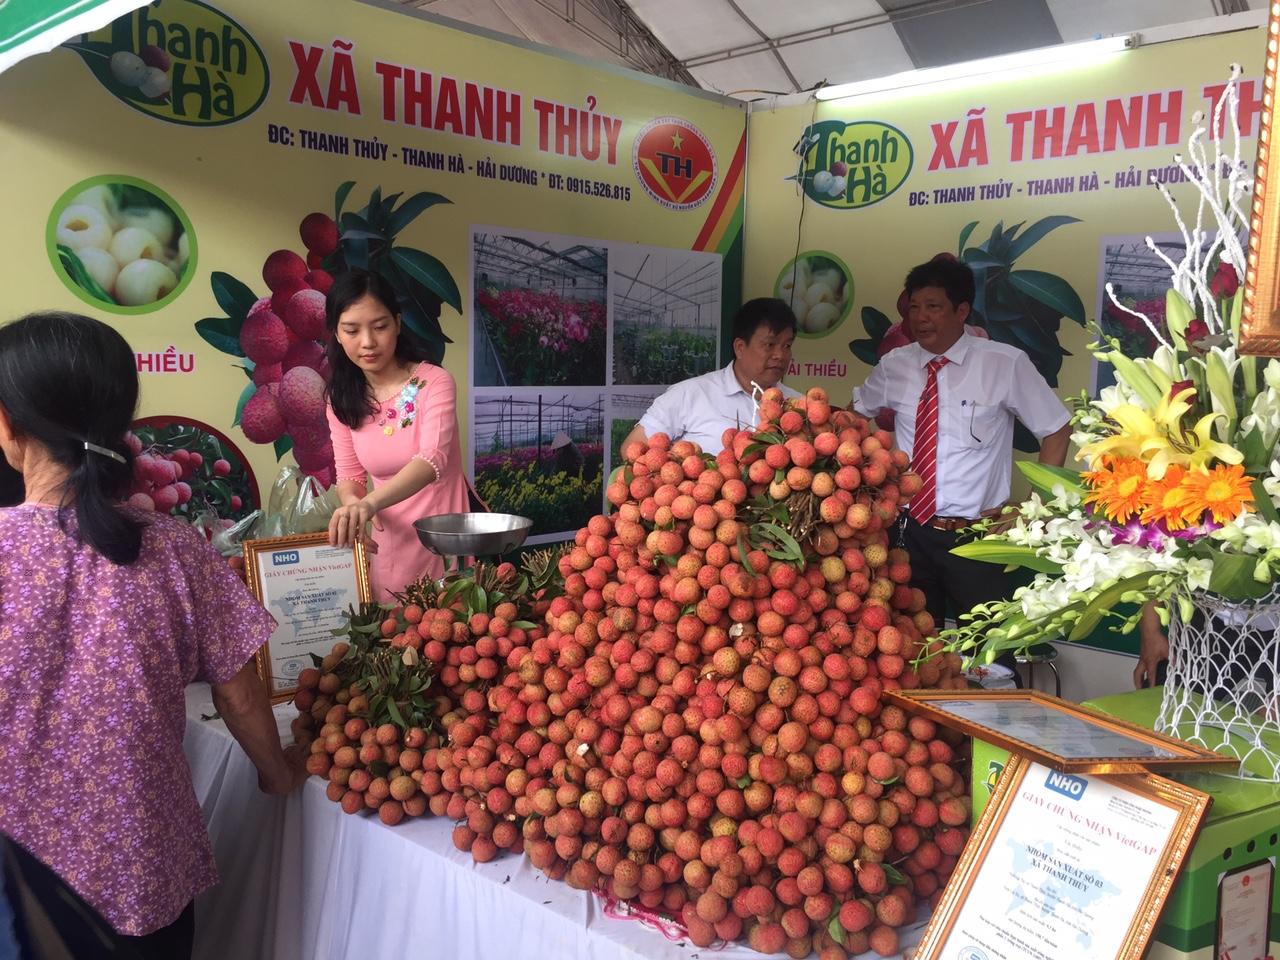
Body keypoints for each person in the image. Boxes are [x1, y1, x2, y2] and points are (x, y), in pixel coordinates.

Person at [0, 311, 304, 960]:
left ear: (6, 423)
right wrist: (278, 773)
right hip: (146, 877)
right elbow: (241, 696)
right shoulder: (172, 548)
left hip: (21, 894)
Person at [851, 259, 1072, 677]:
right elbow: (852, 416)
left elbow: (1057, 429)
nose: (921, 318)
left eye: (933, 306)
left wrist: (1030, 510)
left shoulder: (1004, 363)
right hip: (907, 535)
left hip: (976, 538)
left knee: (991, 663)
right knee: (912, 657)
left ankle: (988, 741)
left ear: (962, 310)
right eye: (915, 307)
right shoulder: (895, 366)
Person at [325, 269, 475, 597]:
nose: (367, 342)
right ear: (337, 334)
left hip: (445, 544)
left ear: (397, 322)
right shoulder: (340, 400)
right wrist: (353, 507)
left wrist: (370, 504)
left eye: (379, 327)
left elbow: (431, 461)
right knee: (391, 636)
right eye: (351, 330)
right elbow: (350, 476)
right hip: (388, 550)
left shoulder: (433, 382)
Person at [625, 297, 800, 454]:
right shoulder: (689, 394)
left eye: (787, 346)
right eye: (770, 344)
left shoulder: (799, 406)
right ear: (740, 347)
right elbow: (632, 449)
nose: (780, 355)